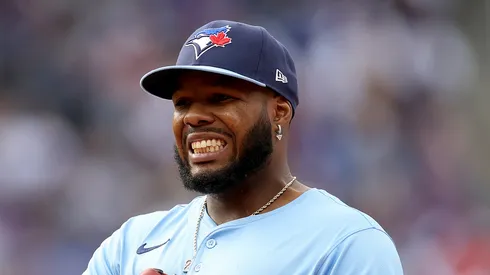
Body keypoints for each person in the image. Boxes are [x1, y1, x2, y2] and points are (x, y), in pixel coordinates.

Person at [82, 20, 404, 275]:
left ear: (279, 111)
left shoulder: (346, 244)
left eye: (221, 98)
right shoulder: (131, 244)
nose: (193, 117)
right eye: (182, 103)